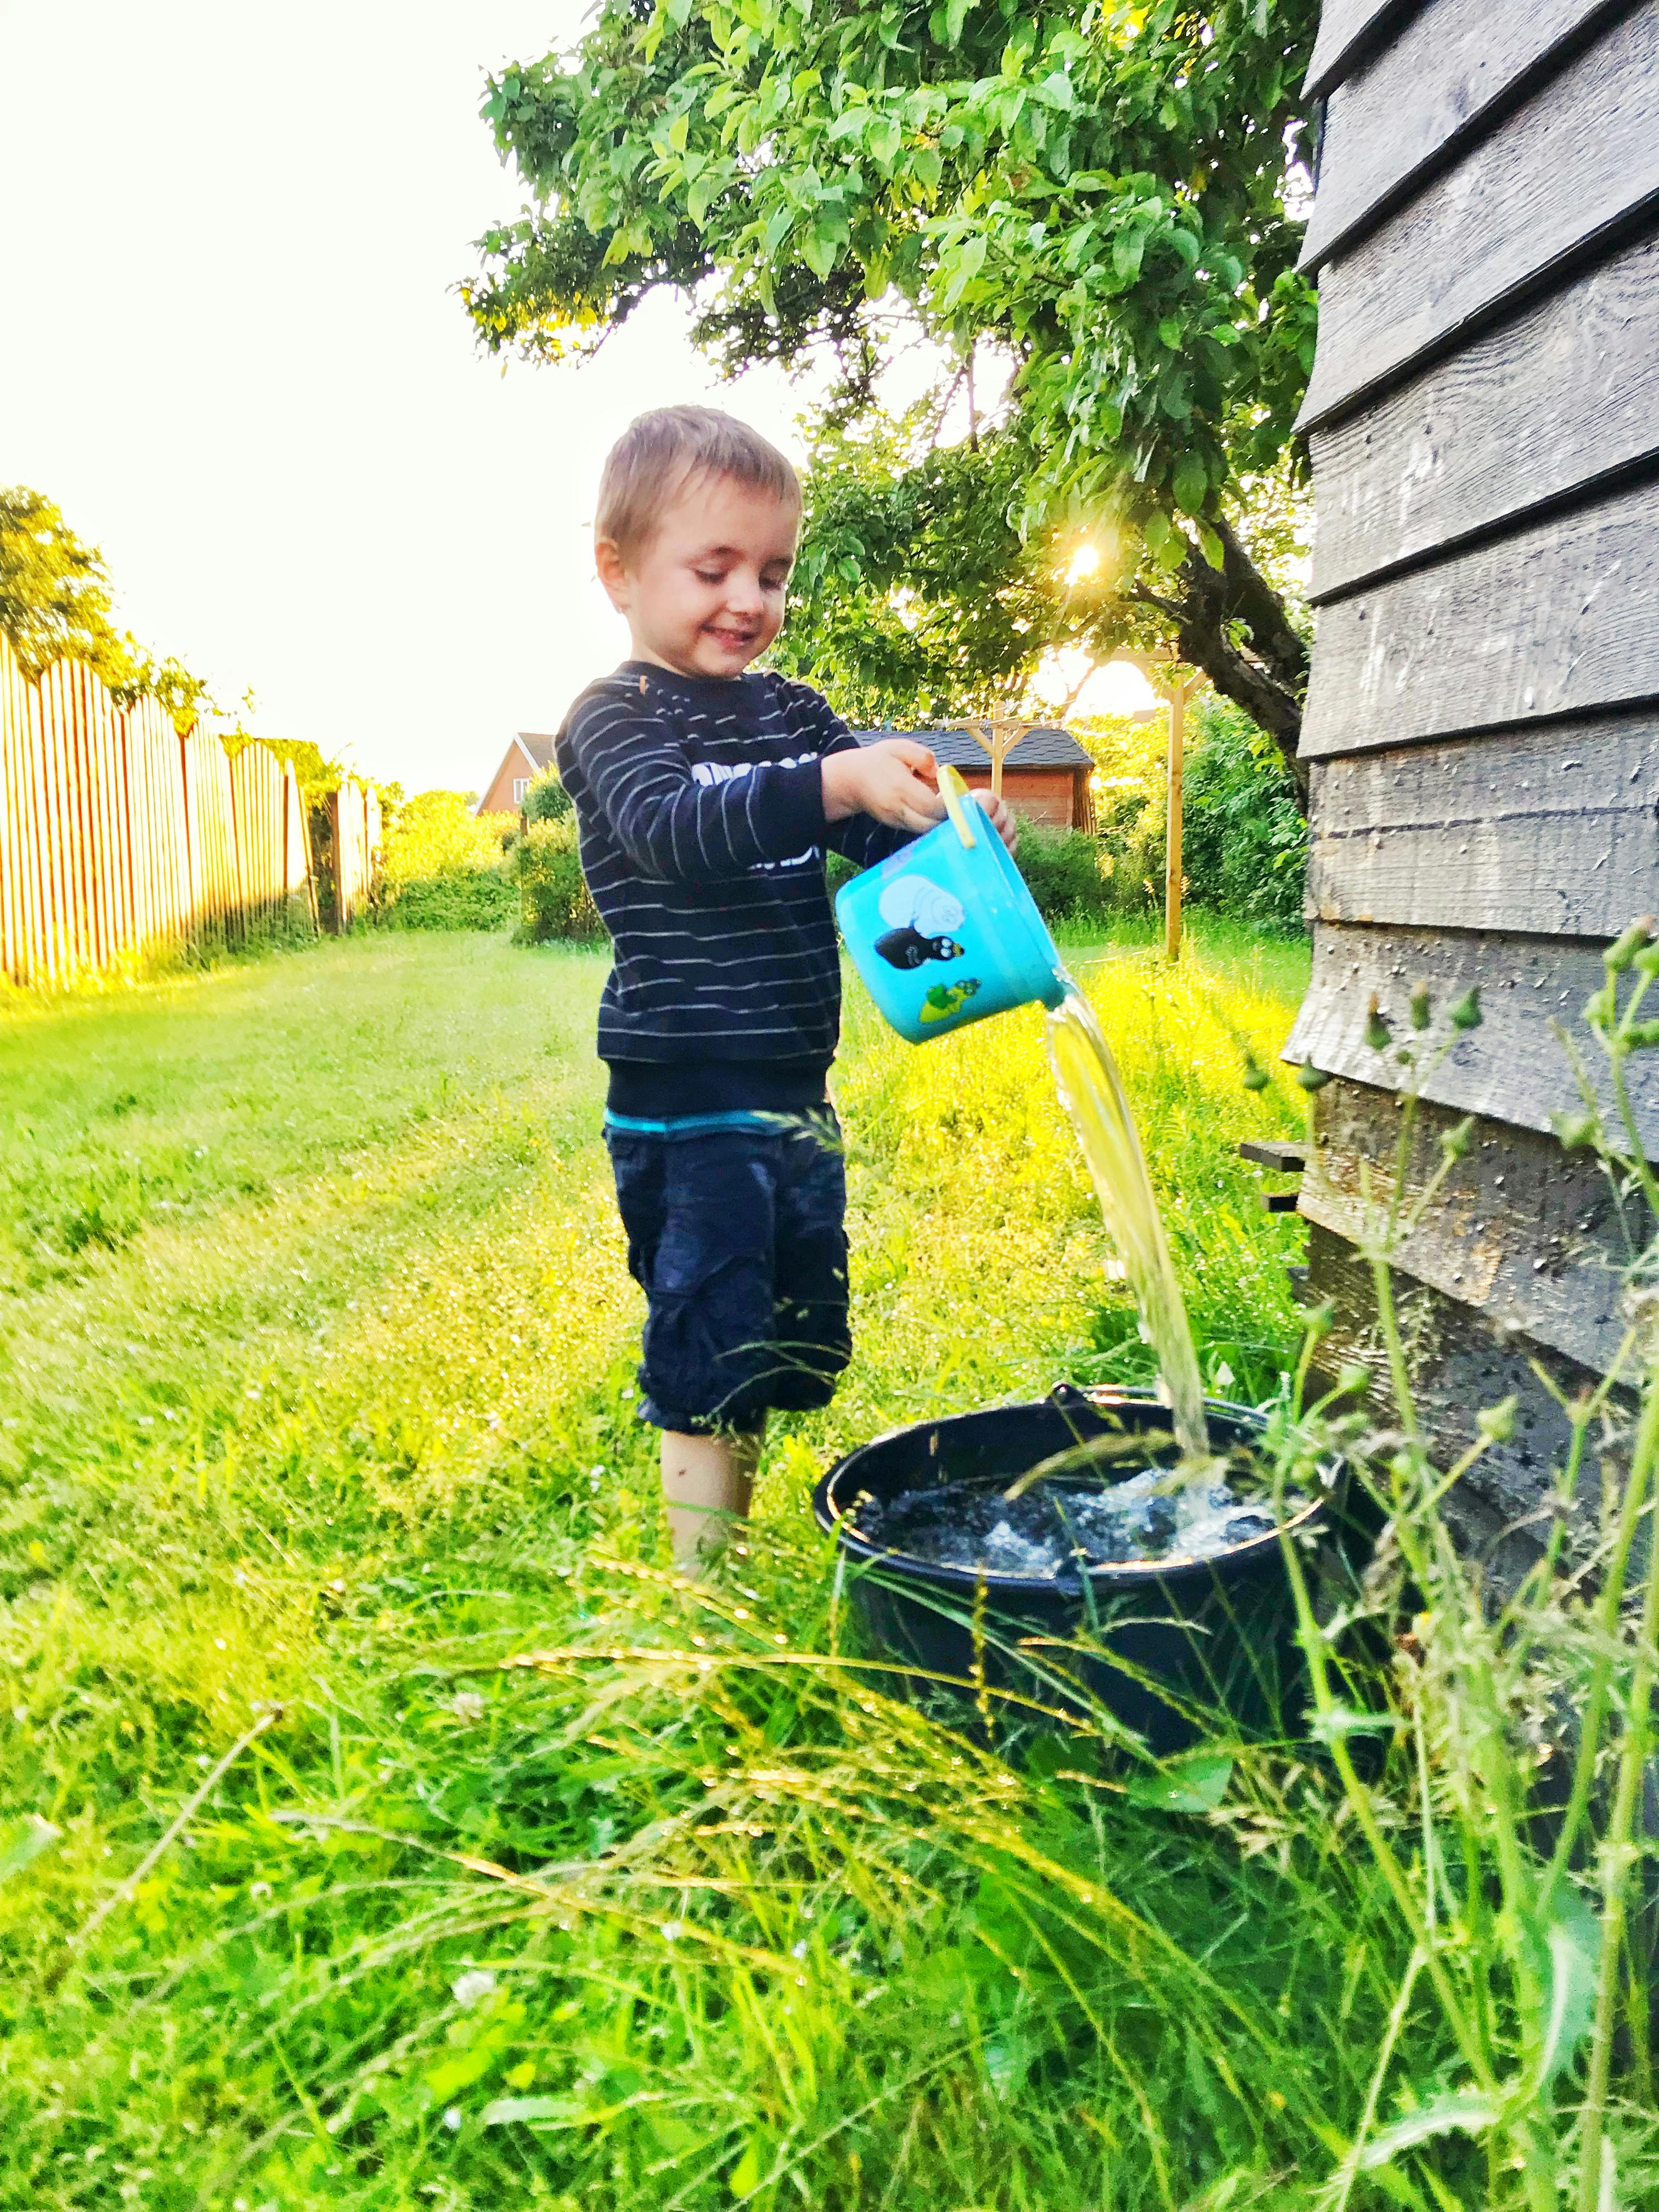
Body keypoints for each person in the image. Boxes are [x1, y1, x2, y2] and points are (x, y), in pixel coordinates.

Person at [556, 404, 1016, 1570]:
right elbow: (674, 831)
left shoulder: (796, 717)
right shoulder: (614, 722)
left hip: (796, 1088)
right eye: (713, 569)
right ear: (619, 569)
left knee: (774, 1339)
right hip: (685, 1091)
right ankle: (706, 1605)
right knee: (709, 1337)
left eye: (772, 572)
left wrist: (957, 838)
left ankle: (734, 1548)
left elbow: (880, 850)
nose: (748, 601)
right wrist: (833, 784)